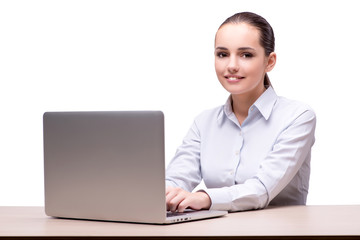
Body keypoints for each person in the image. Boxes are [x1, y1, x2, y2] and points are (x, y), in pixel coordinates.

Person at [165, 12, 316, 213]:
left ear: (270, 61)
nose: (232, 66)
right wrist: (163, 194)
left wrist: (205, 197)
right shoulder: (204, 122)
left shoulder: (298, 117)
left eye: (246, 55)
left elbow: (261, 189)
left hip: (280, 233)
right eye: (222, 54)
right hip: (216, 231)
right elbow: (176, 179)